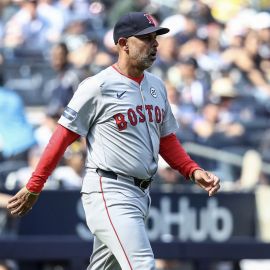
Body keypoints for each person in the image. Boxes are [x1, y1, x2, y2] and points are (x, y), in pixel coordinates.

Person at [7, 12, 220, 270]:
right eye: (146, 38)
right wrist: (35, 185)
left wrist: (192, 170)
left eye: (156, 38)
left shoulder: (157, 86)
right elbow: (62, 137)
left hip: (141, 193)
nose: (155, 45)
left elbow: (166, 139)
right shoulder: (98, 86)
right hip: (109, 189)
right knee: (142, 265)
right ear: (123, 44)